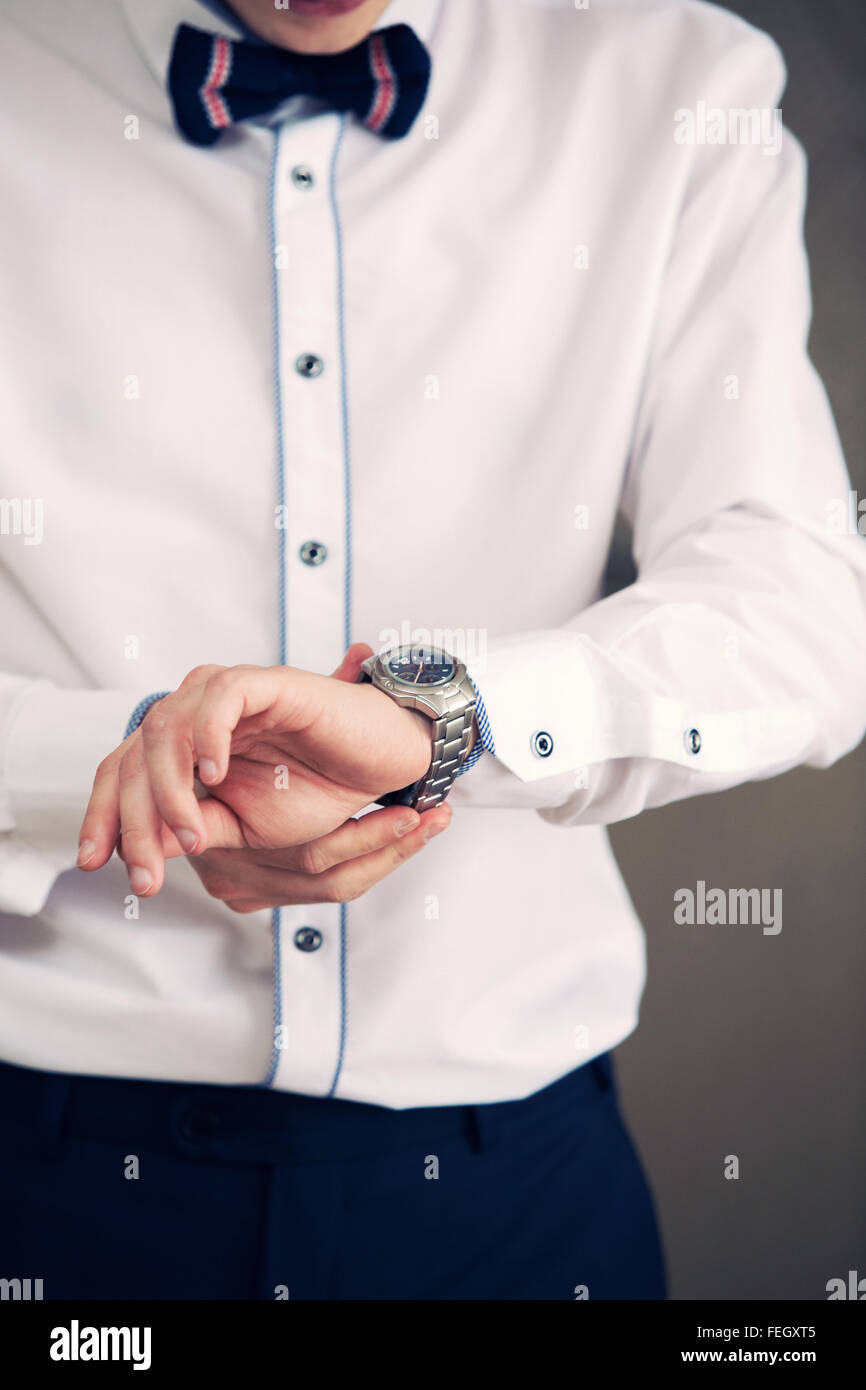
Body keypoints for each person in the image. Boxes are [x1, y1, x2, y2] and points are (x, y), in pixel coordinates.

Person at [1, 0, 864, 1301]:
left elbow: (796, 600)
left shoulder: (680, 82)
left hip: (514, 1196)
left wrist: (440, 726)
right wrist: (135, 757)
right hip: (45, 1173)